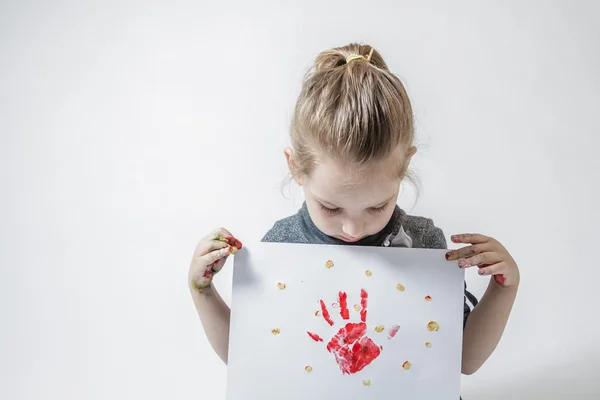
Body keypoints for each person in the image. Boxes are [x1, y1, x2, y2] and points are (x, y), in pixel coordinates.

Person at [188, 43, 520, 378]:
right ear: (296, 168)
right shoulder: (282, 245)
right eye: (330, 207)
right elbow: (250, 356)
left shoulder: (421, 242)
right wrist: (203, 293)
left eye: (377, 206)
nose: (353, 229)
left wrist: (502, 289)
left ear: (404, 166)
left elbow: (462, 361)